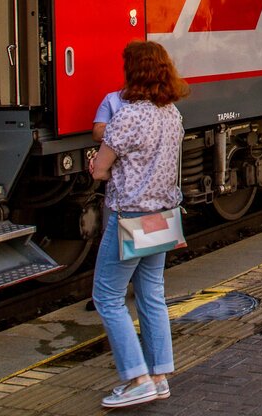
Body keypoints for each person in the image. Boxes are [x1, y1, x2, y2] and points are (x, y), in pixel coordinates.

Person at [89, 41, 189, 408]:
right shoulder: (171, 114)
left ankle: (137, 377)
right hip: (162, 215)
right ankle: (160, 375)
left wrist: (96, 165)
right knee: (152, 295)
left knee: (108, 297)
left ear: (135, 72)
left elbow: (100, 170)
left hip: (130, 216)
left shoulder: (128, 116)